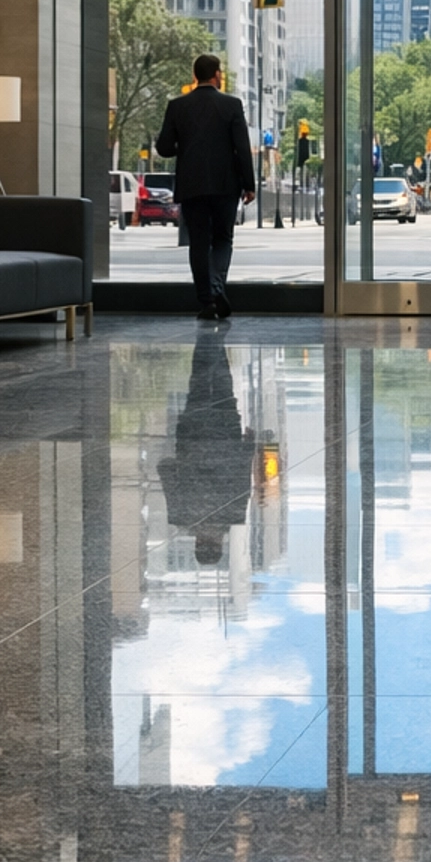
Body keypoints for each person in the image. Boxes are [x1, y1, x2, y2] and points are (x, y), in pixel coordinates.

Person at [155, 54, 257, 321]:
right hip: (226, 184)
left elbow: (164, 148)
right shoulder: (232, 105)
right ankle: (217, 287)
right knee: (223, 238)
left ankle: (206, 302)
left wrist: (187, 148)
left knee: (198, 242)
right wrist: (249, 184)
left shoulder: (177, 106)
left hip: (192, 184)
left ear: (195, 75)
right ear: (216, 75)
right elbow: (242, 148)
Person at [157, 323, 255, 566]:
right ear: (198, 544)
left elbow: (243, 481)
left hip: (226, 438)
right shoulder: (181, 516)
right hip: (193, 437)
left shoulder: (233, 516)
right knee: (200, 383)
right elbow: (166, 469)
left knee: (222, 383)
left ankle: (216, 338)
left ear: (219, 544)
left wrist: (248, 447)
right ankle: (207, 337)